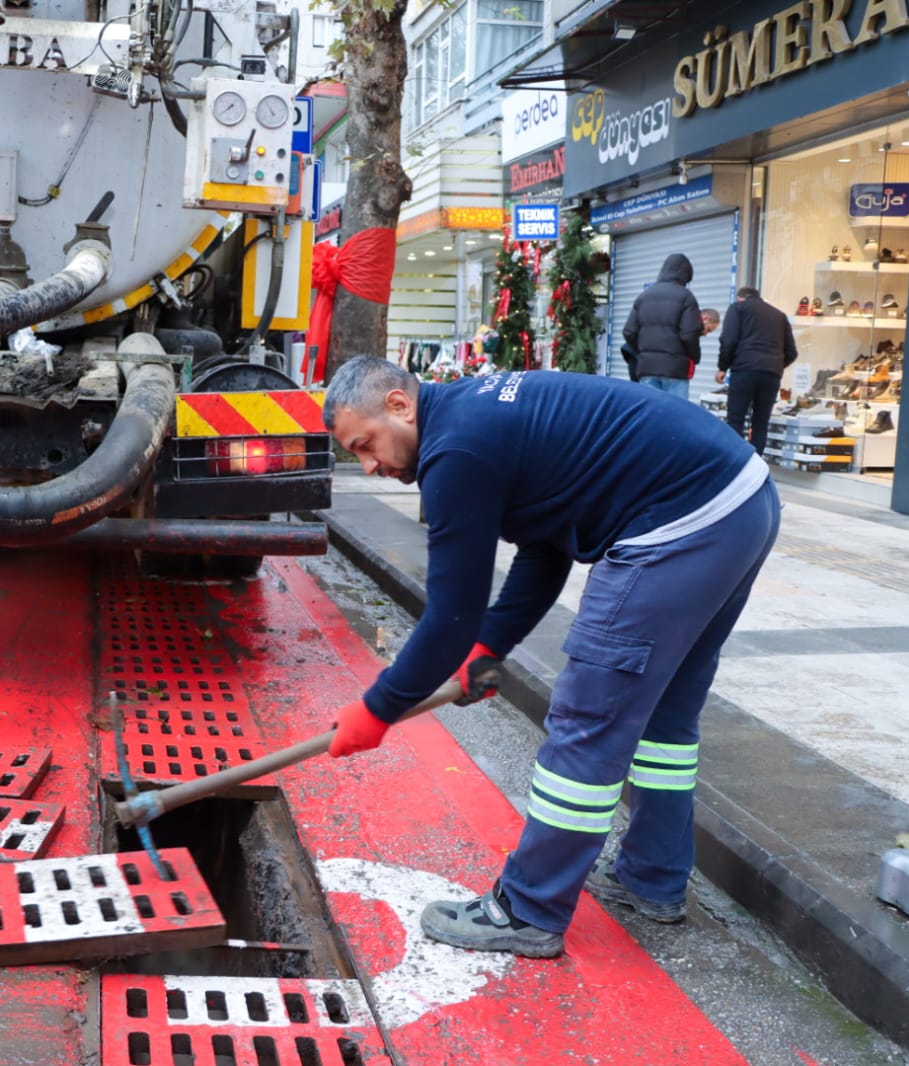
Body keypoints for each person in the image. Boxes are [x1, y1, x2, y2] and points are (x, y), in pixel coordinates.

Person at [322, 355, 779, 958]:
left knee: (588, 717)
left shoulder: (455, 453)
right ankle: (652, 879)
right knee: (664, 716)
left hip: (679, 523)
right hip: (740, 503)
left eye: (367, 444)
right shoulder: (474, 415)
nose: (370, 466)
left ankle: (528, 908)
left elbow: (449, 616)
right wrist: (490, 647)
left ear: (400, 406)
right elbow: (546, 549)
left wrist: (378, 708)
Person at [715, 287, 798, 455]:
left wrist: (723, 367)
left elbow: (728, 340)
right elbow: (792, 352)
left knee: (736, 419)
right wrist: (774, 366)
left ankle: (736, 460)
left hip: (744, 370)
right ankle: (756, 462)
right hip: (771, 375)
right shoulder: (780, 316)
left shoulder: (737, 308)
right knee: (760, 421)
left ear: (740, 298)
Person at [622, 254, 703, 398]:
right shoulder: (686, 297)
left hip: (647, 368)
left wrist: (643, 352)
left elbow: (629, 332)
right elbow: (689, 335)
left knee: (650, 414)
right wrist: (694, 357)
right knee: (676, 414)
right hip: (675, 369)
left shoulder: (644, 296)